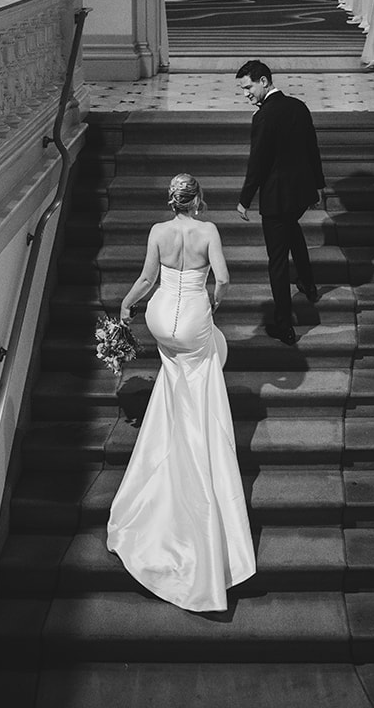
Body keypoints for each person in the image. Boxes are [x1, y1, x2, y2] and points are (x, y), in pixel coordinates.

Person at [106, 173, 256, 612]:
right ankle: (197, 441)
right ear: (197, 200)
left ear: (173, 201)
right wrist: (213, 302)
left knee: (175, 373)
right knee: (205, 363)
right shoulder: (207, 231)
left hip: (159, 318)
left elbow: (146, 279)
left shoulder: (158, 231)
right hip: (192, 315)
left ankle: (172, 433)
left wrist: (125, 305)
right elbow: (223, 278)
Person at [235, 59, 325, 346]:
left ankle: (285, 327)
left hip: (277, 198)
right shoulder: (299, 106)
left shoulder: (263, 117)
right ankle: (308, 284)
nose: (245, 94)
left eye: (248, 87)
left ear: (264, 81)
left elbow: (258, 163)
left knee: (277, 263)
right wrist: (318, 185)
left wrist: (245, 199)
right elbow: (312, 147)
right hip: (300, 194)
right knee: (291, 228)